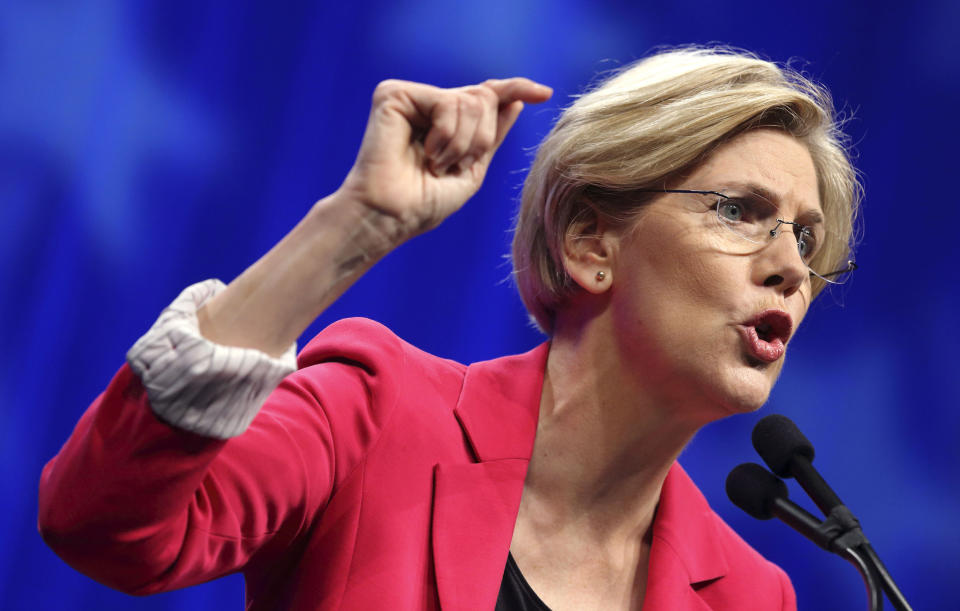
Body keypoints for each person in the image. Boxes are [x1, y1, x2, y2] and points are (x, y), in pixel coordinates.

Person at [38, 46, 860, 610]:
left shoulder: (753, 591)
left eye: (807, 239)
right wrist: (355, 226)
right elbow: (103, 524)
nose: (790, 265)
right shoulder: (378, 413)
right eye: (740, 211)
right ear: (590, 242)